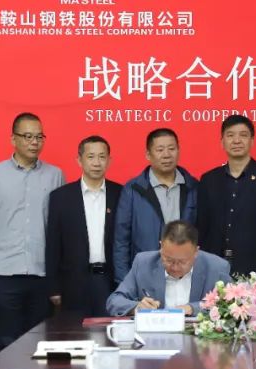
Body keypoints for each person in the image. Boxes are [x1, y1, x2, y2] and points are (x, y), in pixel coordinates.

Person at [0, 113, 65, 350]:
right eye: (28, 136)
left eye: (39, 137)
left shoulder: (55, 175)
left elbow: (60, 228)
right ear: (13, 139)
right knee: (7, 343)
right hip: (4, 274)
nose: (34, 142)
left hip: (42, 273)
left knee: (41, 344)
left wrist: (59, 275)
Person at [196, 115, 256, 277]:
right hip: (214, 268)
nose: (236, 141)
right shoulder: (209, 180)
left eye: (243, 135)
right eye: (230, 135)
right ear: (222, 142)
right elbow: (202, 229)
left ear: (252, 141)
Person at [46, 135, 123, 317]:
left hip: (110, 281)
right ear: (79, 160)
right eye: (90, 157)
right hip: (74, 283)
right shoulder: (60, 197)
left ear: (109, 161)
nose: (96, 162)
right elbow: (53, 244)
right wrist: (54, 287)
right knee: (75, 331)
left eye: (102, 157)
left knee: (110, 331)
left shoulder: (121, 194)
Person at [113, 128, 198, 284]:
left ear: (178, 151)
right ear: (148, 154)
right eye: (160, 150)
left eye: (171, 148)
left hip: (186, 275)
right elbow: (121, 241)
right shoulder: (133, 190)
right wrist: (125, 283)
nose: (166, 155)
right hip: (146, 275)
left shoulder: (193, 187)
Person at [107, 220, 231, 316]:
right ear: (161, 247)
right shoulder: (143, 263)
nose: (175, 267)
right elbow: (114, 301)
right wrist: (136, 307)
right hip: (155, 338)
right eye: (169, 260)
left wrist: (193, 308)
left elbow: (230, 306)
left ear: (196, 252)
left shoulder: (217, 268)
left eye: (182, 262)